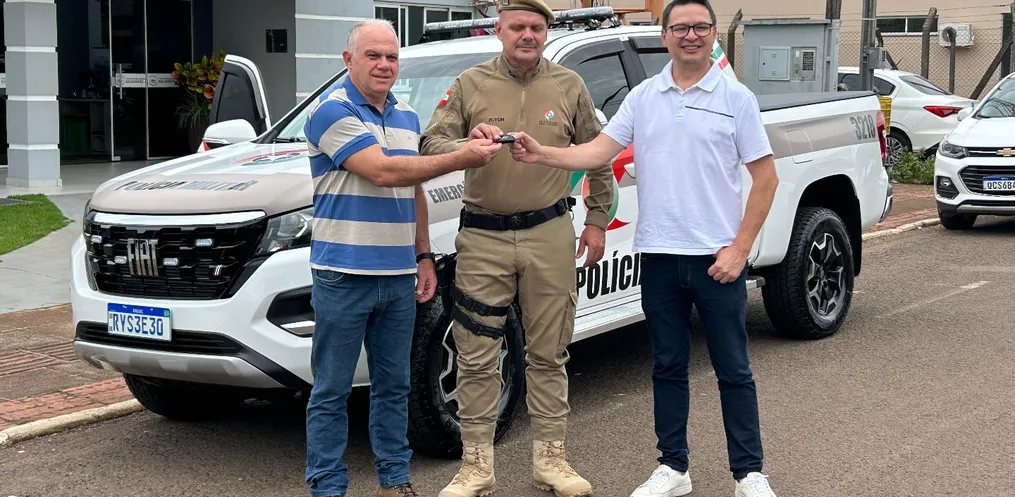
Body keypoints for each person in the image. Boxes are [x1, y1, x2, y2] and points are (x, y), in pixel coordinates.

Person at [506, 0, 781, 495]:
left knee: (733, 369)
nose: (690, 35)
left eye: (700, 27)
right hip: (658, 257)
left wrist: (740, 249)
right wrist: (541, 152)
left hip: (717, 260)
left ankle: (748, 472)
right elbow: (598, 151)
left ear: (713, 33)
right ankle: (673, 468)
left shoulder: (735, 98)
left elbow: (766, 178)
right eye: (680, 27)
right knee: (668, 366)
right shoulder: (644, 97)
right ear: (665, 34)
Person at [418, 0, 615, 495]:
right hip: (483, 237)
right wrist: (467, 146)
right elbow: (430, 144)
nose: (527, 35)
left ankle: (551, 461)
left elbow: (598, 155)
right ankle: (476, 467)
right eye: (518, 27)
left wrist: (597, 221)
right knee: (476, 355)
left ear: (546, 32)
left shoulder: (569, 85)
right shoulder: (470, 84)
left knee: (550, 352)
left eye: (536, 27)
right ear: (500, 31)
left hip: (549, 233)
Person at [302, 19, 503, 497]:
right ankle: (327, 486)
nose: (384, 65)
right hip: (344, 273)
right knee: (331, 389)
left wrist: (423, 255)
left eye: (391, 57)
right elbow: (383, 171)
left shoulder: (407, 116)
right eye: (373, 55)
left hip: (397, 274)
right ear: (348, 60)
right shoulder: (329, 110)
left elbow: (412, 187)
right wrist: (464, 158)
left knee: (394, 387)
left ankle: (394, 481)